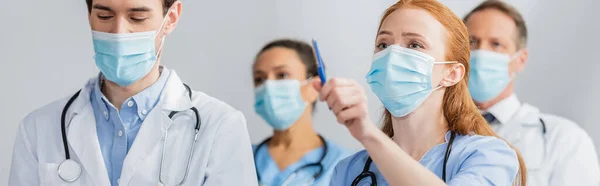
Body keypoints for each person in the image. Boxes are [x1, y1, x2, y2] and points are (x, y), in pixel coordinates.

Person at [8, 0, 257, 185]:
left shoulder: (221, 126)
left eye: (137, 18)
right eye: (104, 16)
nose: (118, 32)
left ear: (170, 18)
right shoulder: (39, 129)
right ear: (89, 15)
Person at [314, 0, 528, 185]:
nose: (393, 55)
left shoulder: (488, 156)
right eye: (383, 44)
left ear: (452, 73)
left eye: (414, 44)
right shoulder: (350, 171)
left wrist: (368, 134)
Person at [464, 1, 600, 185]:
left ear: (520, 60)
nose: (481, 52)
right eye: (472, 42)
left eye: (496, 44)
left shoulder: (563, 139)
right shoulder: (431, 131)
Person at [251, 39, 351, 186]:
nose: (268, 86)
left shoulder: (345, 164)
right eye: (259, 79)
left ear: (314, 86)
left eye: (282, 75)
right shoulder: (241, 156)